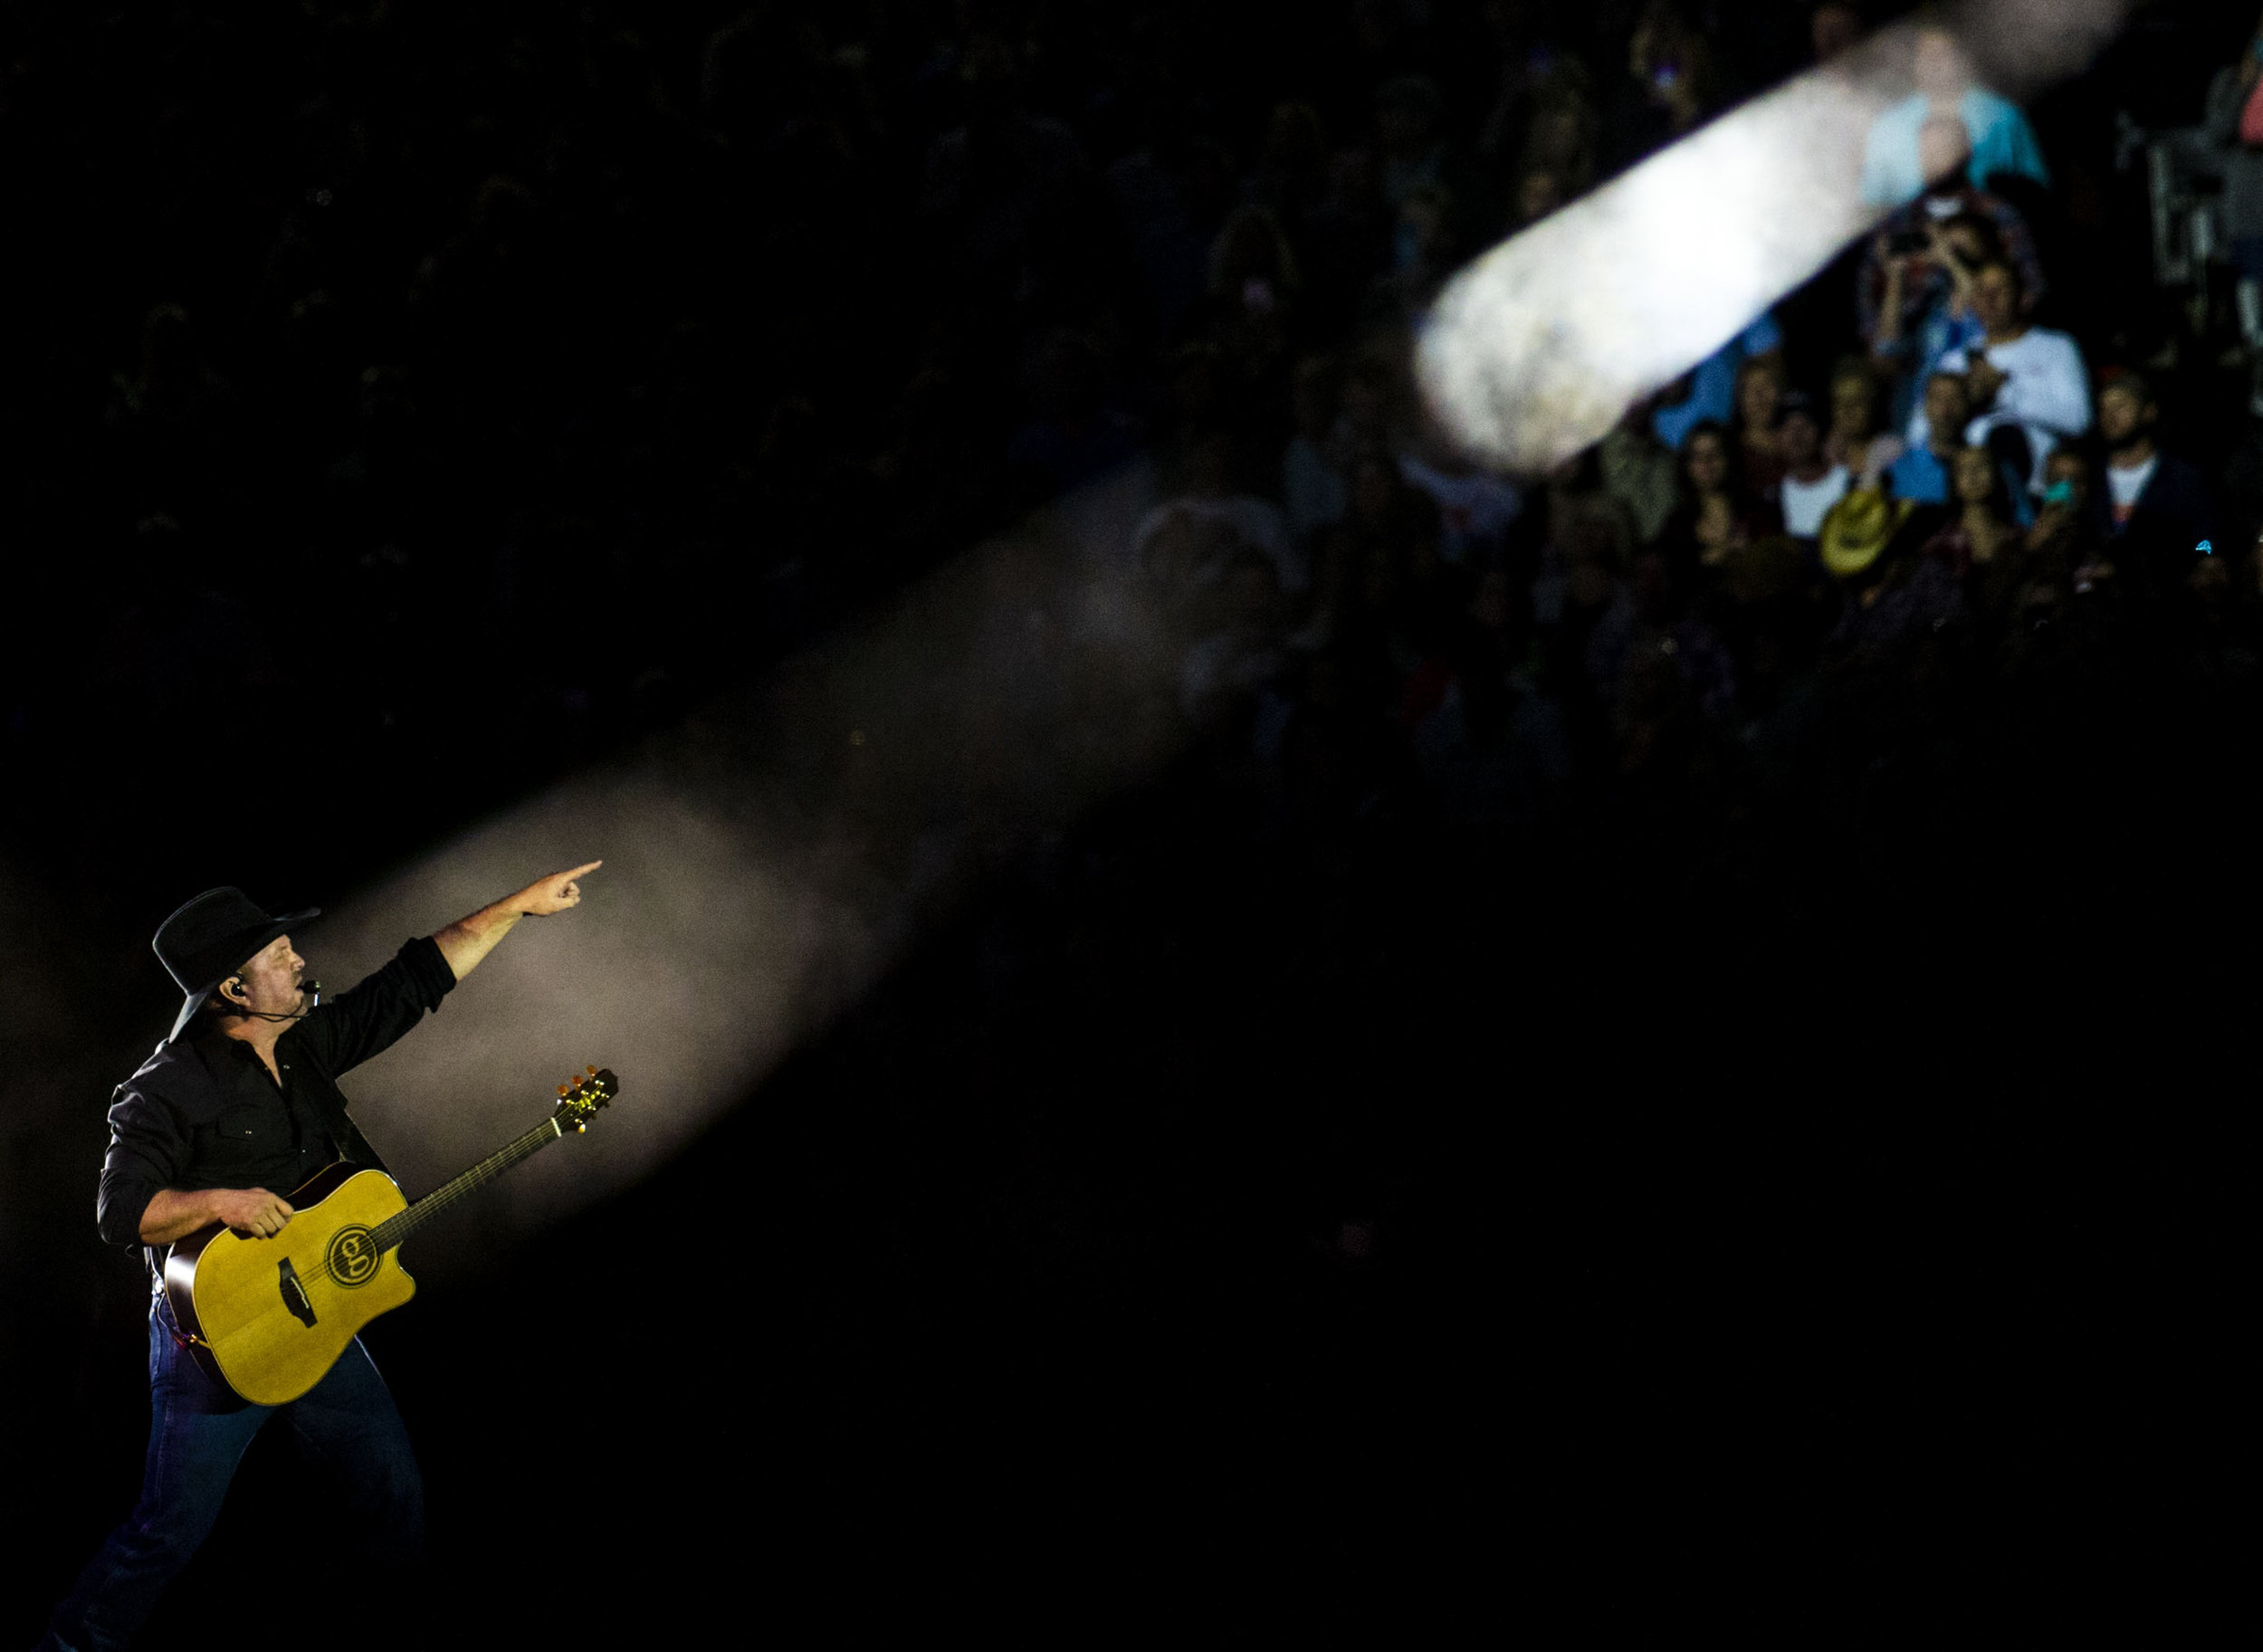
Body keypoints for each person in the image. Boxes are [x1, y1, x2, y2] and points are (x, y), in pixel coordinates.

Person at [40, 864, 604, 1652]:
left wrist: (518, 905)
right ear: (234, 989)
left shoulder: (304, 1046)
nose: (299, 959)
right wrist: (221, 1201)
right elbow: (118, 1211)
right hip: (217, 1344)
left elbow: (412, 980)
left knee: (392, 1492)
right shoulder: (165, 1089)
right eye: (278, 953)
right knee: (166, 1534)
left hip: (317, 1320)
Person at [1934, 258, 2089, 496]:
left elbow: (2079, 419)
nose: (1989, 299)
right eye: (1981, 291)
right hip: (1976, 494)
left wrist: (2004, 391)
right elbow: (1925, 430)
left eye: (2000, 290)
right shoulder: (1954, 361)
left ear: (2023, 297)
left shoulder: (2057, 347)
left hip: (2044, 491)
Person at [1859, 25, 2049, 208]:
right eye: (1925, 55)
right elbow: (1872, 206)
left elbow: (2037, 194)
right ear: (1914, 61)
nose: (1934, 63)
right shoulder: (1887, 128)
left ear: (1963, 57)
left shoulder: (2003, 118)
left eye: (1943, 53)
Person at [2096, 370, 2215, 591]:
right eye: (2103, 408)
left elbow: (2205, 541)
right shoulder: (2090, 476)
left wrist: (2201, 561)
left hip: (2165, 598)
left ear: (2149, 412)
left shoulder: (2183, 478)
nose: (2109, 416)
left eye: (2121, 406)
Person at [1888, 369, 1971, 506]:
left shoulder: (1990, 466)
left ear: (1967, 404)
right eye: (1938, 399)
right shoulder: (1899, 468)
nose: (1946, 410)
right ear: (1926, 406)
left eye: (1955, 399)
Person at [1777, 393, 1851, 540]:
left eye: (1805, 426)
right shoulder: (1775, 490)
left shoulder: (1846, 481)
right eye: (1788, 427)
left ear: (1821, 432)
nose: (1796, 435)